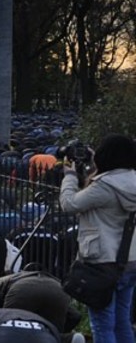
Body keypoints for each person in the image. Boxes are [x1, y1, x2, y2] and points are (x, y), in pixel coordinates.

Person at [59, 134, 136, 343]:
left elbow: (70, 204)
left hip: (103, 261)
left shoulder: (104, 186)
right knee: (122, 321)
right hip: (130, 260)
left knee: (102, 324)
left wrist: (69, 176)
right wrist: (95, 169)